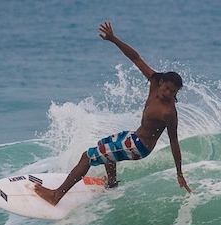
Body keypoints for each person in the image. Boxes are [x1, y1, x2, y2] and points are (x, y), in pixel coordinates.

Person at [34, 21, 191, 206]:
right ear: (161, 82)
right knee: (104, 144)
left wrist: (179, 173)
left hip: (139, 147)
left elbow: (174, 141)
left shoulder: (168, 113)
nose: (168, 94)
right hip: (133, 137)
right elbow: (136, 58)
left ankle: (56, 196)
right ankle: (112, 184)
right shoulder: (154, 80)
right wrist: (113, 39)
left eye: (173, 92)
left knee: (87, 156)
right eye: (166, 89)